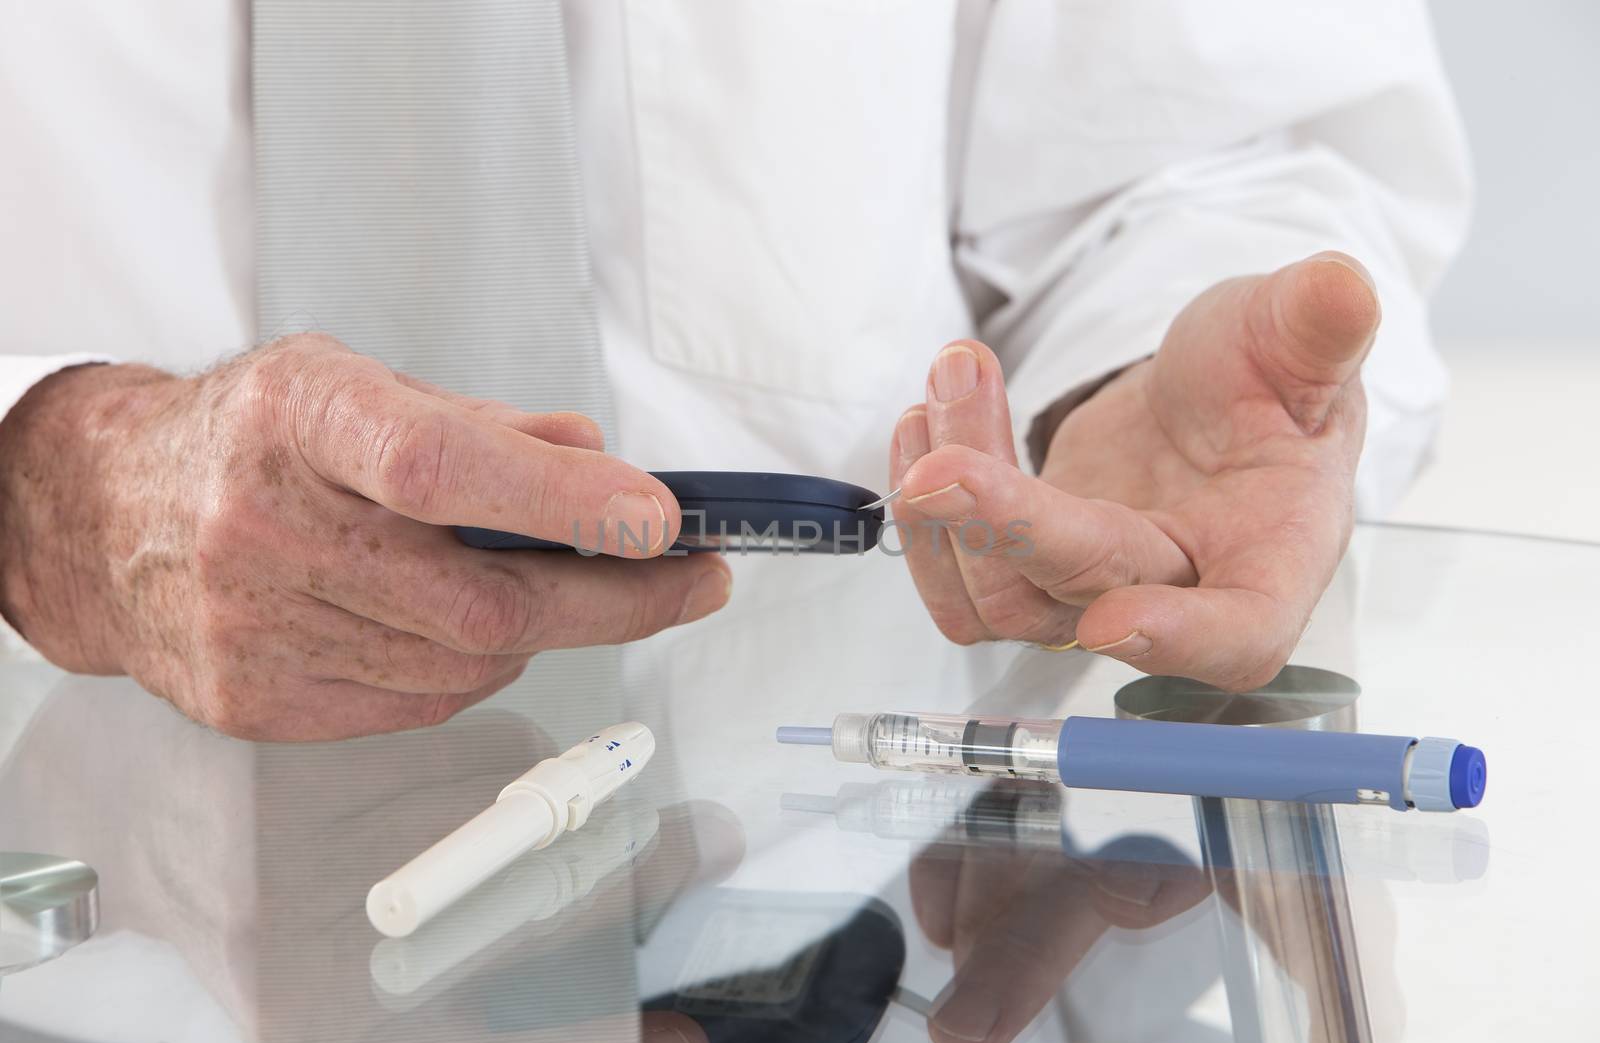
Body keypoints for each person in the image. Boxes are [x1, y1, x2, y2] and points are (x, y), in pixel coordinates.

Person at [0, 2, 1468, 741]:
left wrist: (1127, 385)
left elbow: (1221, 136)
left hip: (859, 933)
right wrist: (46, 494)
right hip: (80, 943)